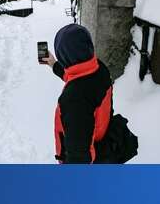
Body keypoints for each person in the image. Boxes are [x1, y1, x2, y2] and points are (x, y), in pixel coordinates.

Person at [40, 24, 114, 164]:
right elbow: (79, 77)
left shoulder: (74, 100)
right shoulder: (99, 69)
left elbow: (79, 159)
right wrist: (54, 64)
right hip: (102, 144)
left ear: (66, 58)